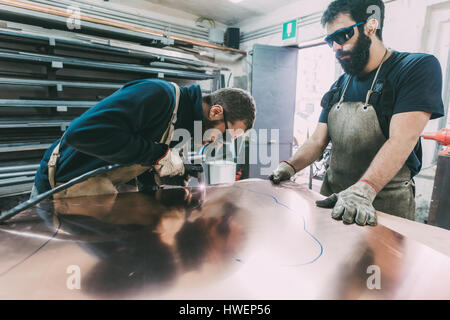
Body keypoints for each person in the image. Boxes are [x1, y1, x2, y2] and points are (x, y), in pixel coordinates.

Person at [270, 0, 445, 226]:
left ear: (371, 26)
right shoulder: (339, 86)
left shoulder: (415, 68)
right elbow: (316, 141)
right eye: (330, 41)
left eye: (342, 36)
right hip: (332, 204)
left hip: (382, 210)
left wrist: (363, 191)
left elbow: (402, 139)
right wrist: (289, 166)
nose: (335, 48)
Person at [32, 79, 256, 198]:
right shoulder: (159, 95)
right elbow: (81, 133)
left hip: (102, 191)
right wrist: (159, 155)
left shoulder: (184, 125)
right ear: (215, 112)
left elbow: (133, 154)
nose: (218, 144)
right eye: (224, 136)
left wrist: (173, 178)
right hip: (62, 186)